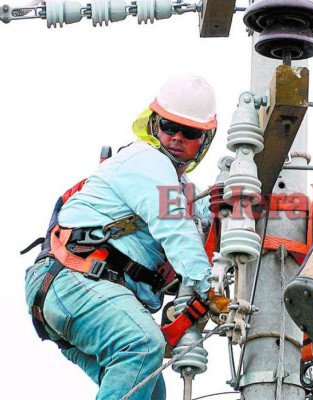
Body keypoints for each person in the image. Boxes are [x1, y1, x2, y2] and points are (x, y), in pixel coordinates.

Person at [24, 74, 217, 400]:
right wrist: (213, 293)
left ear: (205, 141)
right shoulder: (147, 159)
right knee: (141, 345)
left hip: (71, 292)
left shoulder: (182, 192)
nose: (176, 137)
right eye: (169, 127)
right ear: (155, 125)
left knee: (150, 390)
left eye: (190, 132)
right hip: (74, 280)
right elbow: (176, 230)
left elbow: (206, 223)